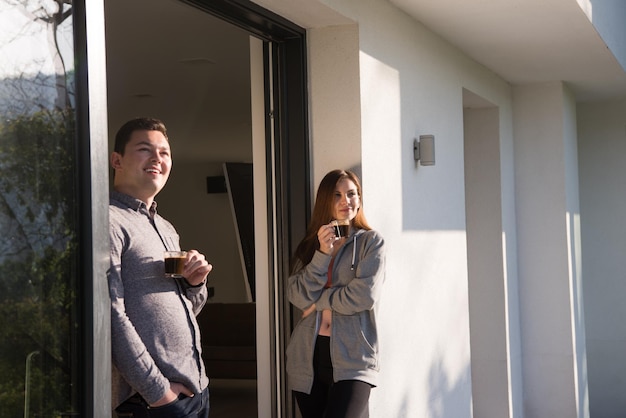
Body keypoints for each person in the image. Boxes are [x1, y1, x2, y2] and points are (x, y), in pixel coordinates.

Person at [107, 117, 212, 418]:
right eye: (145, 149)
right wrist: (159, 393)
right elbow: (112, 317)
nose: (157, 159)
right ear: (117, 160)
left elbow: (186, 310)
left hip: (196, 389)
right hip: (153, 402)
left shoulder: (166, 228)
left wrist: (194, 284)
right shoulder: (109, 221)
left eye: (164, 153)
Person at [286, 169, 386, 418]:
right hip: (307, 356)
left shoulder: (371, 243)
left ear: (359, 199)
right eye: (337, 195)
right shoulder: (310, 246)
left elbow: (364, 296)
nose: (346, 201)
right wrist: (322, 253)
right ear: (325, 201)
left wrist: (319, 302)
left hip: (353, 356)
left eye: (352, 194)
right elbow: (297, 296)